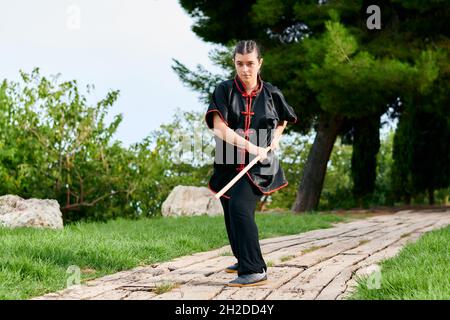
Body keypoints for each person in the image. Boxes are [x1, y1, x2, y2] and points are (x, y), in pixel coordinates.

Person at [204, 40, 298, 287]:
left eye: (250, 64)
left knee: (240, 209)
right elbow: (218, 127)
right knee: (229, 212)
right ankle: (242, 257)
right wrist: (249, 146)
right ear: (234, 63)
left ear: (260, 63)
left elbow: (282, 119)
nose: (245, 70)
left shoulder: (271, 93)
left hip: (259, 166)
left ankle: (254, 269)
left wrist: (275, 138)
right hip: (228, 162)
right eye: (239, 64)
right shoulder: (224, 90)